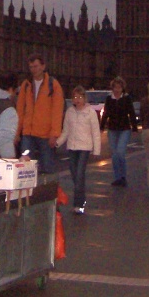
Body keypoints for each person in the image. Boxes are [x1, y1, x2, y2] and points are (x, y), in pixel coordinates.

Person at [15, 53, 64, 174]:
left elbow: (57, 111)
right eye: (31, 67)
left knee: (47, 168)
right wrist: (16, 132)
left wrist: (54, 134)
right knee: (24, 169)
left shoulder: (53, 85)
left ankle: (47, 192)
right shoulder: (26, 85)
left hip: (45, 135)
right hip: (28, 134)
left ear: (43, 66)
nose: (33, 70)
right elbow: (20, 110)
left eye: (36, 66)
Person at [57, 85, 102, 214]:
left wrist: (96, 150)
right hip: (72, 147)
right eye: (75, 97)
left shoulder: (90, 112)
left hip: (84, 147)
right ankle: (81, 199)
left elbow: (95, 132)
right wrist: (57, 143)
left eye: (80, 97)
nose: (77, 100)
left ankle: (78, 204)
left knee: (80, 174)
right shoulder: (70, 112)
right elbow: (65, 131)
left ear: (84, 98)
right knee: (74, 174)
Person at [100, 76, 138, 187]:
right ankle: (117, 177)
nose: (117, 89)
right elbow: (106, 113)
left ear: (122, 88)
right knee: (115, 154)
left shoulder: (127, 99)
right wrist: (101, 126)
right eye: (115, 87)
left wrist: (134, 127)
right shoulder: (109, 99)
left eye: (119, 87)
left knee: (120, 152)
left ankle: (123, 177)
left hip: (124, 129)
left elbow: (131, 113)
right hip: (112, 129)